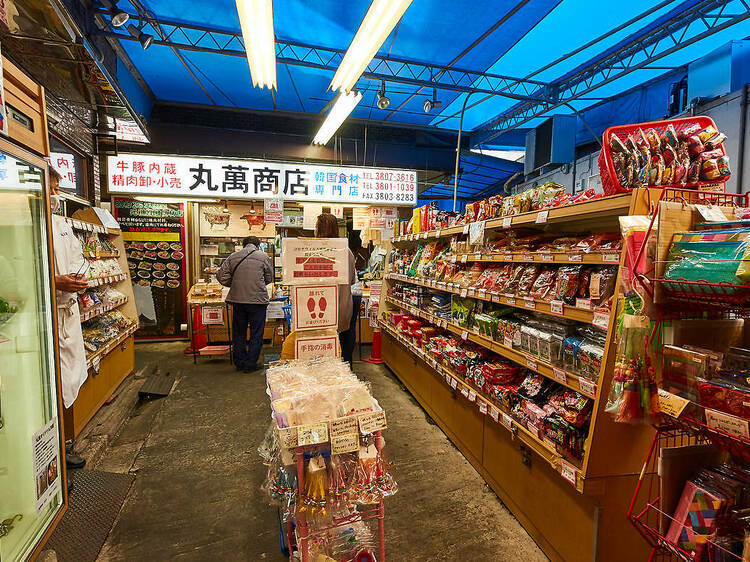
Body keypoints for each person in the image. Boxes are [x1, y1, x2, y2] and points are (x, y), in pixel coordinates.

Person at [49, 168, 88, 471]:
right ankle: (52, 455)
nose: (54, 195)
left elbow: (80, 259)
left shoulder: (62, 225)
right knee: (49, 385)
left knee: (69, 377)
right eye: (50, 188)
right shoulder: (20, 223)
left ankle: (65, 445)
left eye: (56, 188)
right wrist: (53, 282)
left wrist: (79, 278)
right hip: (45, 318)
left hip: (68, 311)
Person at [217, 235, 273, 373]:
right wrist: (257, 285)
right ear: (257, 245)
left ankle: (240, 362)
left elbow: (221, 276)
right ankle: (250, 364)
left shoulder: (233, 256)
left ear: (243, 245)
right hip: (257, 301)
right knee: (256, 333)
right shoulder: (263, 256)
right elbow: (269, 277)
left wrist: (234, 284)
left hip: (238, 300)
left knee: (239, 332)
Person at [314, 213, 356, 361]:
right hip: (342, 303)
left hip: (319, 304)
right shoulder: (347, 251)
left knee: (323, 346)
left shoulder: (314, 250)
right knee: (343, 343)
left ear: (319, 228)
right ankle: (346, 372)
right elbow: (352, 279)